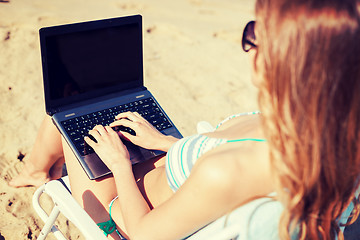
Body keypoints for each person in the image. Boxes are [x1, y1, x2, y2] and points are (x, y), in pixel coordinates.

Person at [10, 0, 360, 239]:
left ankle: (37, 171)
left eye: (256, 33)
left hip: (123, 210)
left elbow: (144, 233)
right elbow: (228, 159)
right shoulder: (324, 139)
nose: (250, 44)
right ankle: (41, 169)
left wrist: (118, 163)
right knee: (87, 108)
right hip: (159, 174)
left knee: (68, 111)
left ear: (280, 61)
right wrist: (167, 144)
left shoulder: (227, 172)